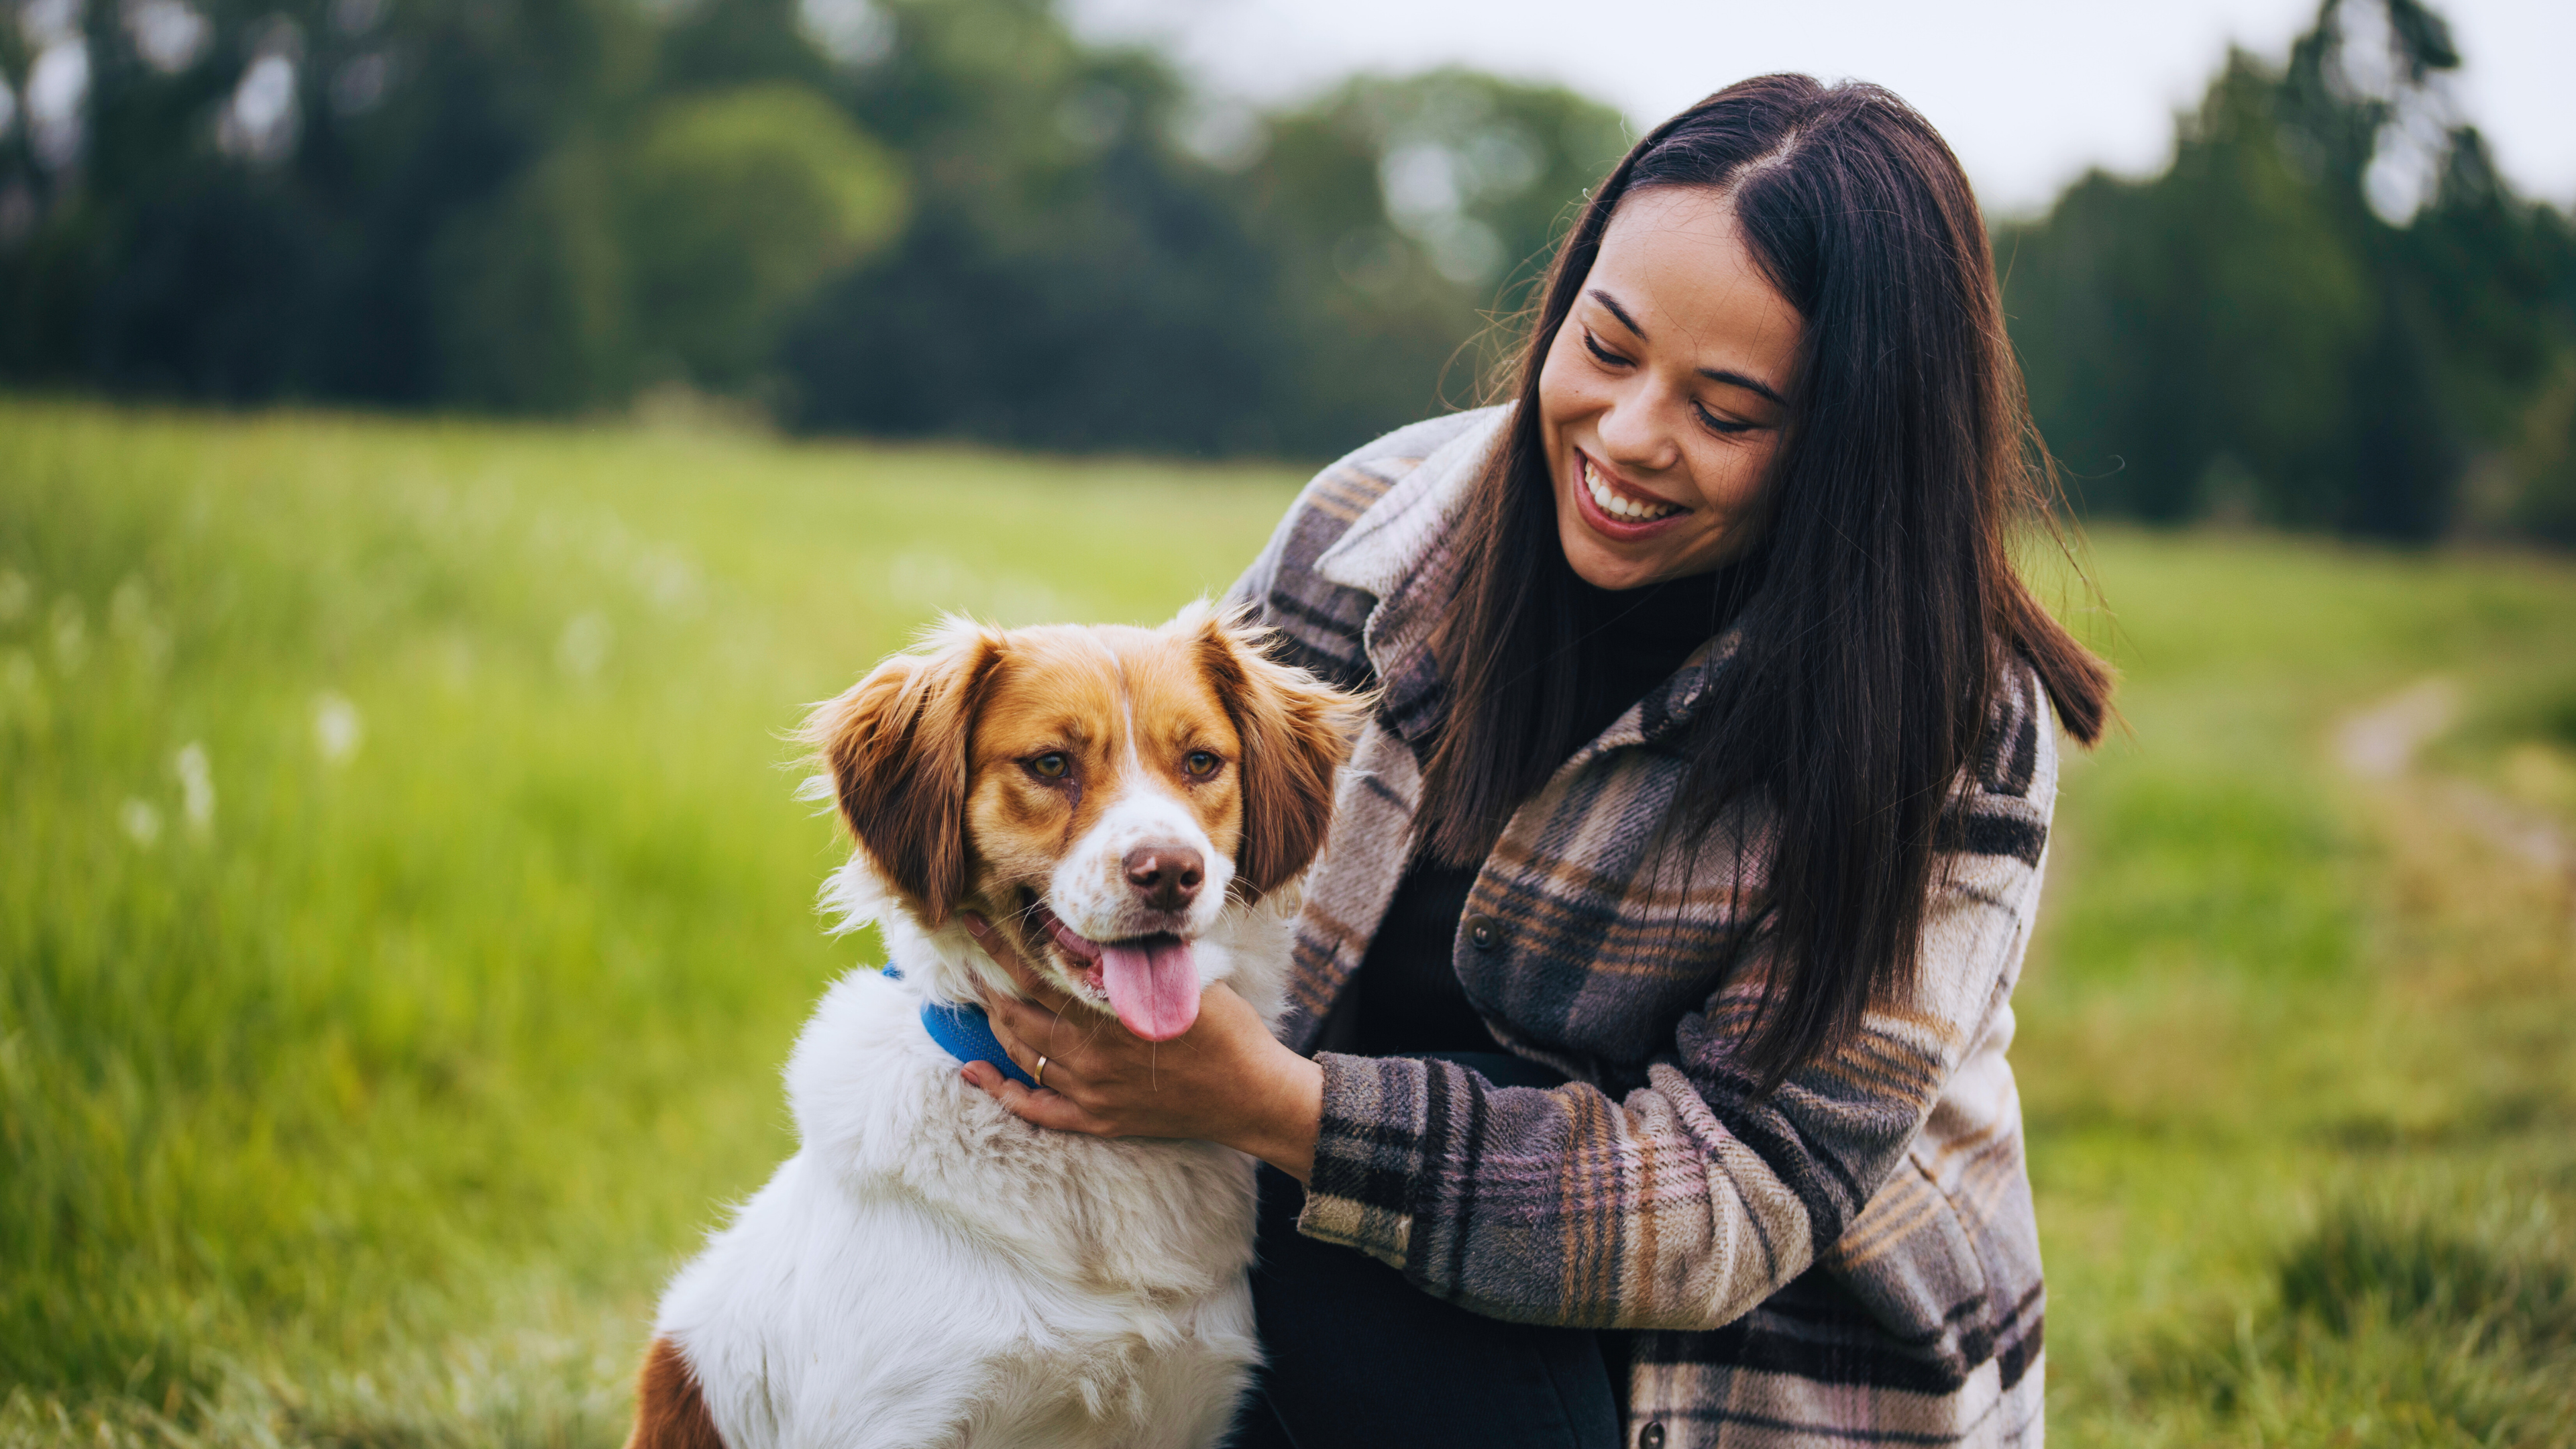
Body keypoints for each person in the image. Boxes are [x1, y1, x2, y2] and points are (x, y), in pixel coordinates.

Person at [956, 72, 2113, 1448]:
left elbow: (1732, 1205)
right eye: (1606, 347)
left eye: (1728, 413)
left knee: (1426, 1155)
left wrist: (1281, 1108)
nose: (1629, 438)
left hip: (1751, 1373)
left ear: (1854, 444)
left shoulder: (1950, 725)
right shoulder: (1366, 532)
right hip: (1323, 1260)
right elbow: (1143, 860)